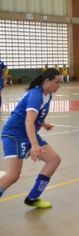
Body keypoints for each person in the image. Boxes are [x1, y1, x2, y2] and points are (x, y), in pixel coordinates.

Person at [0, 68, 62, 208]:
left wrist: (43, 123)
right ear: (47, 81)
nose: (59, 86)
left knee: (54, 160)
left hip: (28, 133)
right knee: (12, 176)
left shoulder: (47, 95)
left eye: (60, 83)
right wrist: (34, 145)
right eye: (57, 82)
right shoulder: (36, 95)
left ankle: (32, 198)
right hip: (14, 135)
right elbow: (28, 121)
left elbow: (24, 115)